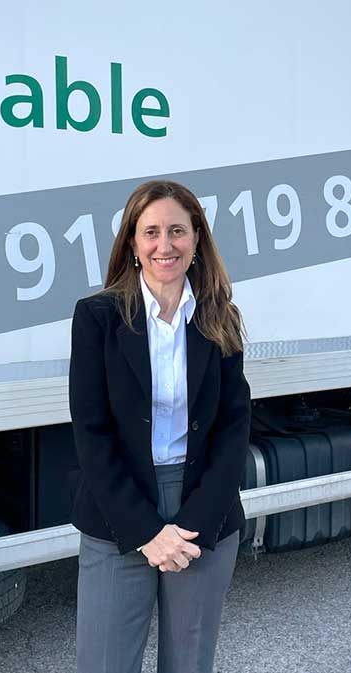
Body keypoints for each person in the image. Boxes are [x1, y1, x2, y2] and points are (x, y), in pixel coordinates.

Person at [68, 179, 251, 673]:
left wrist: (198, 520)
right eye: (151, 232)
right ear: (132, 243)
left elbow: (234, 427)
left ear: (196, 239)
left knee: (189, 664)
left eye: (177, 231)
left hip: (202, 507)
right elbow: (91, 432)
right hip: (118, 510)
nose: (164, 245)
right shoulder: (97, 318)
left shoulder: (219, 317)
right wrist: (146, 531)